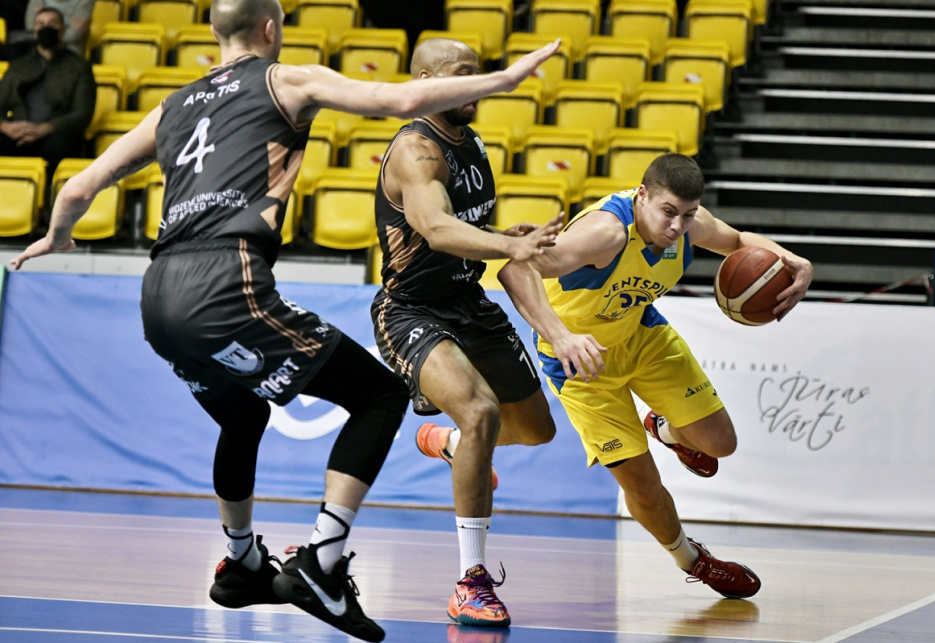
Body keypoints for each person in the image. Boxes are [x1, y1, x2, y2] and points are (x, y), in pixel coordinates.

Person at [9, 0, 560, 639]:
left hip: (157, 296)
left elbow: (79, 187)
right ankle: (322, 561)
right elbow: (396, 99)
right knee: (380, 396)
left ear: (215, 32)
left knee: (243, 415)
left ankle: (241, 561)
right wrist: (504, 78)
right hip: (227, 283)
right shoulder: (283, 80)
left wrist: (58, 237)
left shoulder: (174, 104)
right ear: (271, 29)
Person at [498, 153, 814, 600]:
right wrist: (561, 336)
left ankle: (663, 428)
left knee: (720, 444)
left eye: (687, 215)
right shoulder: (606, 234)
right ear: (642, 195)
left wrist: (793, 260)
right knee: (643, 487)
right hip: (580, 362)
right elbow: (516, 267)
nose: (677, 227)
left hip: (641, 335)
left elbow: (739, 240)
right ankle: (692, 559)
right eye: (668, 212)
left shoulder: (687, 224)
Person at [369, 38, 563, 629]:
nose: (475, 84)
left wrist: (505, 235)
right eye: (463, 73)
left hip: (466, 300)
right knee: (480, 411)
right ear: (427, 80)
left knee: (536, 429)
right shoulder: (417, 150)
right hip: (411, 310)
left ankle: (452, 445)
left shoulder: (471, 142)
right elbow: (434, 226)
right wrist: (508, 247)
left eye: (479, 73)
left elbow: (465, 226)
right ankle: (470, 582)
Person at [0, 6, 95, 182]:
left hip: (55, 135)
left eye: (52, 24)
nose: (46, 28)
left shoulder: (79, 67)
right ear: (34, 30)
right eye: (41, 24)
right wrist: (6, 127)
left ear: (63, 30)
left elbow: (82, 114)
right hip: (18, 134)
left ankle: (52, 195)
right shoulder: (18, 66)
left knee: (63, 142)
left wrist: (44, 129)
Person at [24, 0, 93, 55]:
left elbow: (75, 34)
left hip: (70, 51)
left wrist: (47, 37)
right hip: (40, 49)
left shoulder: (84, 1)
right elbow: (31, 26)